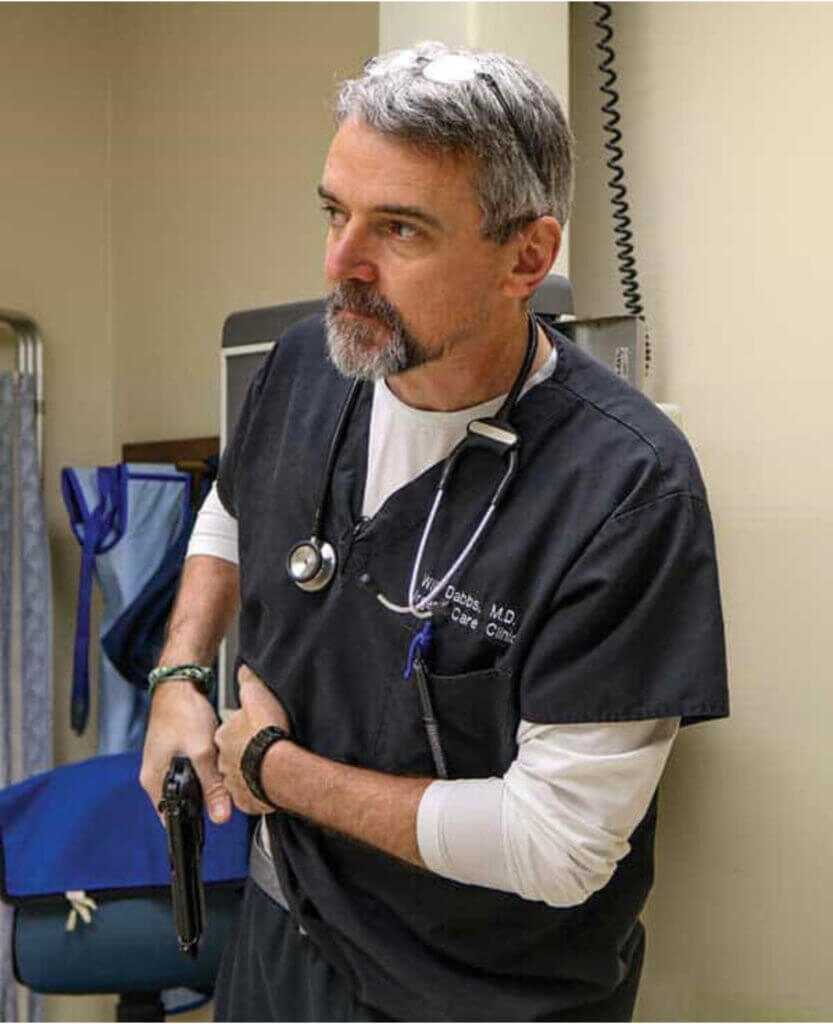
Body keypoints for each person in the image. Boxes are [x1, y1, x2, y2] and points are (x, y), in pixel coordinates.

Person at [140, 41, 729, 1022]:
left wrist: (273, 769)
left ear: (526, 258)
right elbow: (234, 508)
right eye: (334, 214)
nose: (340, 265)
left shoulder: (624, 486)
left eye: (399, 229)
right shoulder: (305, 363)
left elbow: (557, 843)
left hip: (478, 989)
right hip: (286, 936)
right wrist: (178, 673)